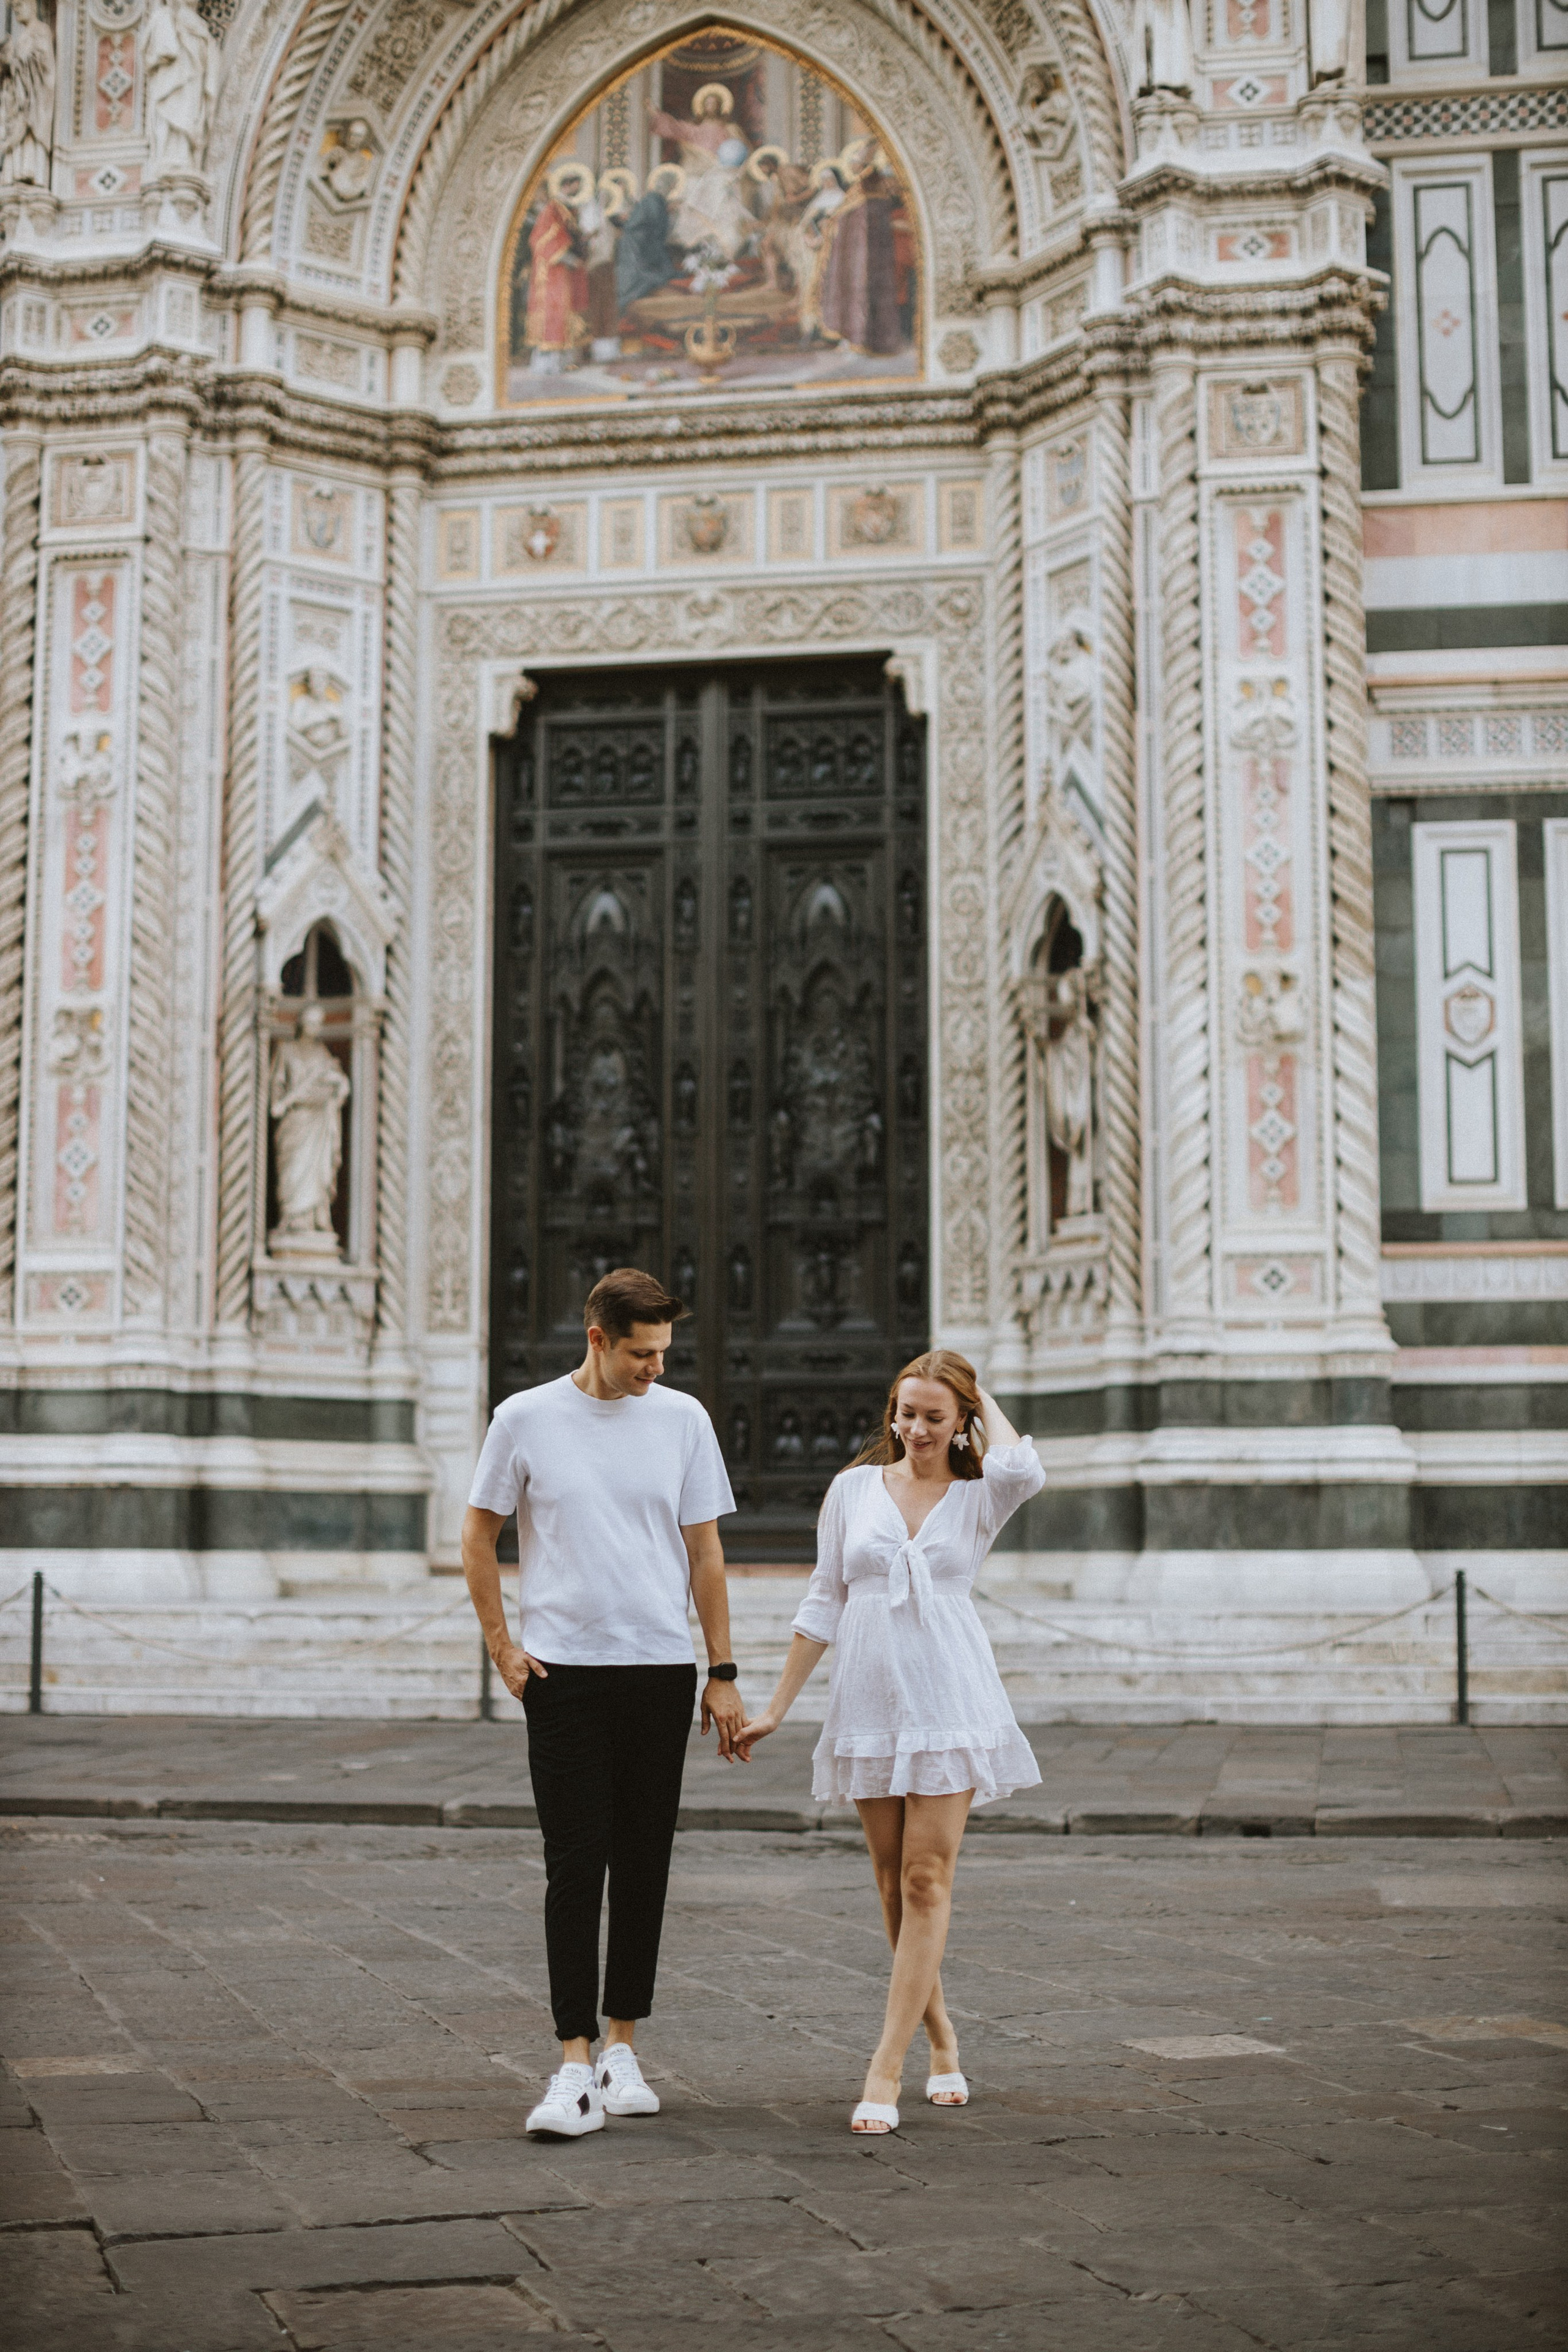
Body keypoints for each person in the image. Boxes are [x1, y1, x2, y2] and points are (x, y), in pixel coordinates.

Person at [462, 1268, 745, 2140]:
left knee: (645, 1862)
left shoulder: (683, 1419)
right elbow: (479, 1534)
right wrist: (502, 1647)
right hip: (564, 1675)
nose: (656, 1367)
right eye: (640, 1353)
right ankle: (573, 2063)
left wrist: (722, 1668)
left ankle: (624, 2046)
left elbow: (705, 1552)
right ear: (597, 1339)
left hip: (658, 1668)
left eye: (664, 1352)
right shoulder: (525, 1419)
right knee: (574, 1863)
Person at [736, 1351, 1044, 2133]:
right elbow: (822, 1599)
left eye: (934, 1417)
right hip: (869, 1698)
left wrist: (979, 1397)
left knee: (924, 1881)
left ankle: (885, 2065)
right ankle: (942, 2040)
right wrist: (776, 1707)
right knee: (887, 1883)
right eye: (905, 1413)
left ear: (961, 1421)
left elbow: (1023, 1467)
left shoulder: (978, 1495)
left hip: (948, 1697)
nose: (914, 1430)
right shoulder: (850, 1490)